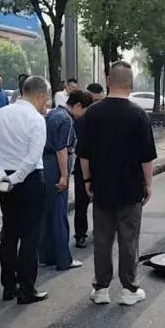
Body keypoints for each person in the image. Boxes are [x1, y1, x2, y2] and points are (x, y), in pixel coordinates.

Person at [77, 61, 156, 306]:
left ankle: (101, 288)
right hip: (131, 188)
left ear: (108, 81)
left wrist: (87, 180)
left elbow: (83, 154)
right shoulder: (139, 114)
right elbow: (147, 157)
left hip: (101, 187)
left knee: (102, 240)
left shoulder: (93, 113)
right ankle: (129, 289)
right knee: (129, 239)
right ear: (131, 84)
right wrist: (148, 184)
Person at [0, 75, 49, 304]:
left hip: (4, 178)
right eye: (46, 99)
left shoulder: (0, 114)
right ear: (40, 96)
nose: (46, 104)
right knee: (30, 236)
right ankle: (27, 288)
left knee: (9, 234)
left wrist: (2, 176)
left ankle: (8, 286)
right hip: (29, 179)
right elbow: (33, 156)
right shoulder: (36, 119)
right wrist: (17, 178)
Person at [39, 93, 85, 272]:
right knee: (59, 214)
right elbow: (61, 149)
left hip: (45, 165)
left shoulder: (52, 114)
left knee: (46, 213)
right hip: (56, 167)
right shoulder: (66, 119)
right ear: (78, 105)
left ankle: (45, 256)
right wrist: (64, 176)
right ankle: (63, 259)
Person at [70, 90, 94, 249]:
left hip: (91, 164)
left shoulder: (90, 119)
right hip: (84, 164)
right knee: (82, 203)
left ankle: (86, 233)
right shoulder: (76, 120)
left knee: (88, 203)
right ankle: (81, 234)